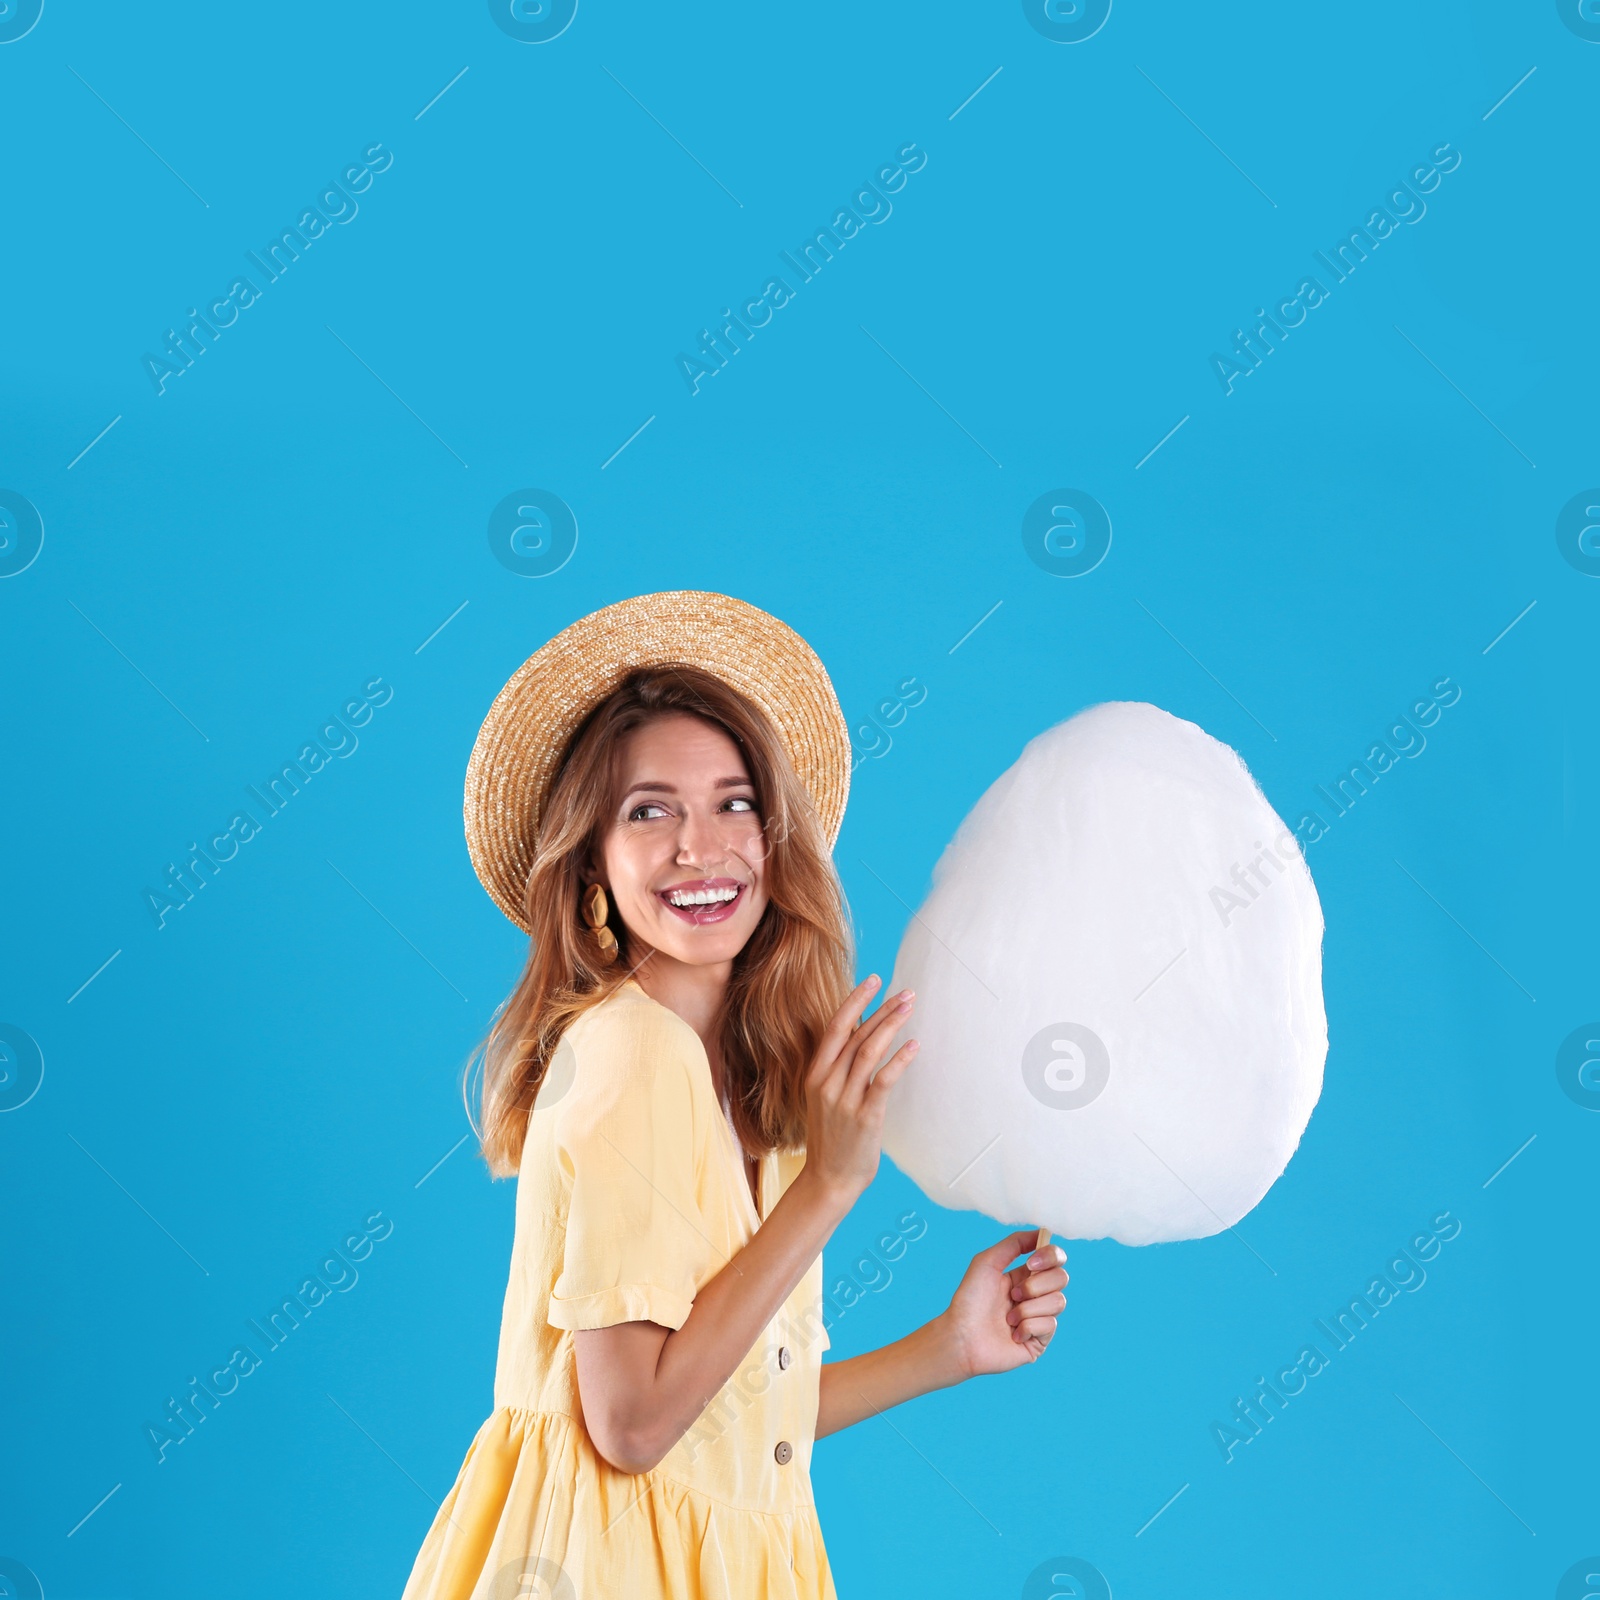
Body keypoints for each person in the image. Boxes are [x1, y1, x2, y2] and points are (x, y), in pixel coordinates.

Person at [402, 591, 1068, 1599]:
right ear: (592, 862)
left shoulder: (744, 1087)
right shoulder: (637, 1055)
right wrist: (830, 1190)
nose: (700, 847)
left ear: (774, 837)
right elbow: (631, 1427)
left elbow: (734, 1418)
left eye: (735, 802)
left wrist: (949, 1347)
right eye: (649, 810)